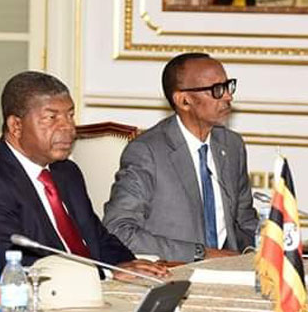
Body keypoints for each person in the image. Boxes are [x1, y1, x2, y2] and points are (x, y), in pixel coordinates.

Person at [0, 71, 168, 280]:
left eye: (70, 115)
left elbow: (96, 237)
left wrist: (126, 264)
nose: (68, 127)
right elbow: (11, 261)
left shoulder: (65, 171)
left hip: (91, 288)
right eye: (51, 117)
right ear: (16, 126)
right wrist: (106, 274)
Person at [103, 53, 257, 262]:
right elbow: (118, 230)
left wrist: (256, 255)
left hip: (231, 271)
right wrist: (200, 254)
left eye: (228, 86)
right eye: (217, 90)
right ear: (184, 100)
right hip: (173, 271)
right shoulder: (147, 152)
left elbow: (245, 221)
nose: (228, 96)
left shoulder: (231, 145)